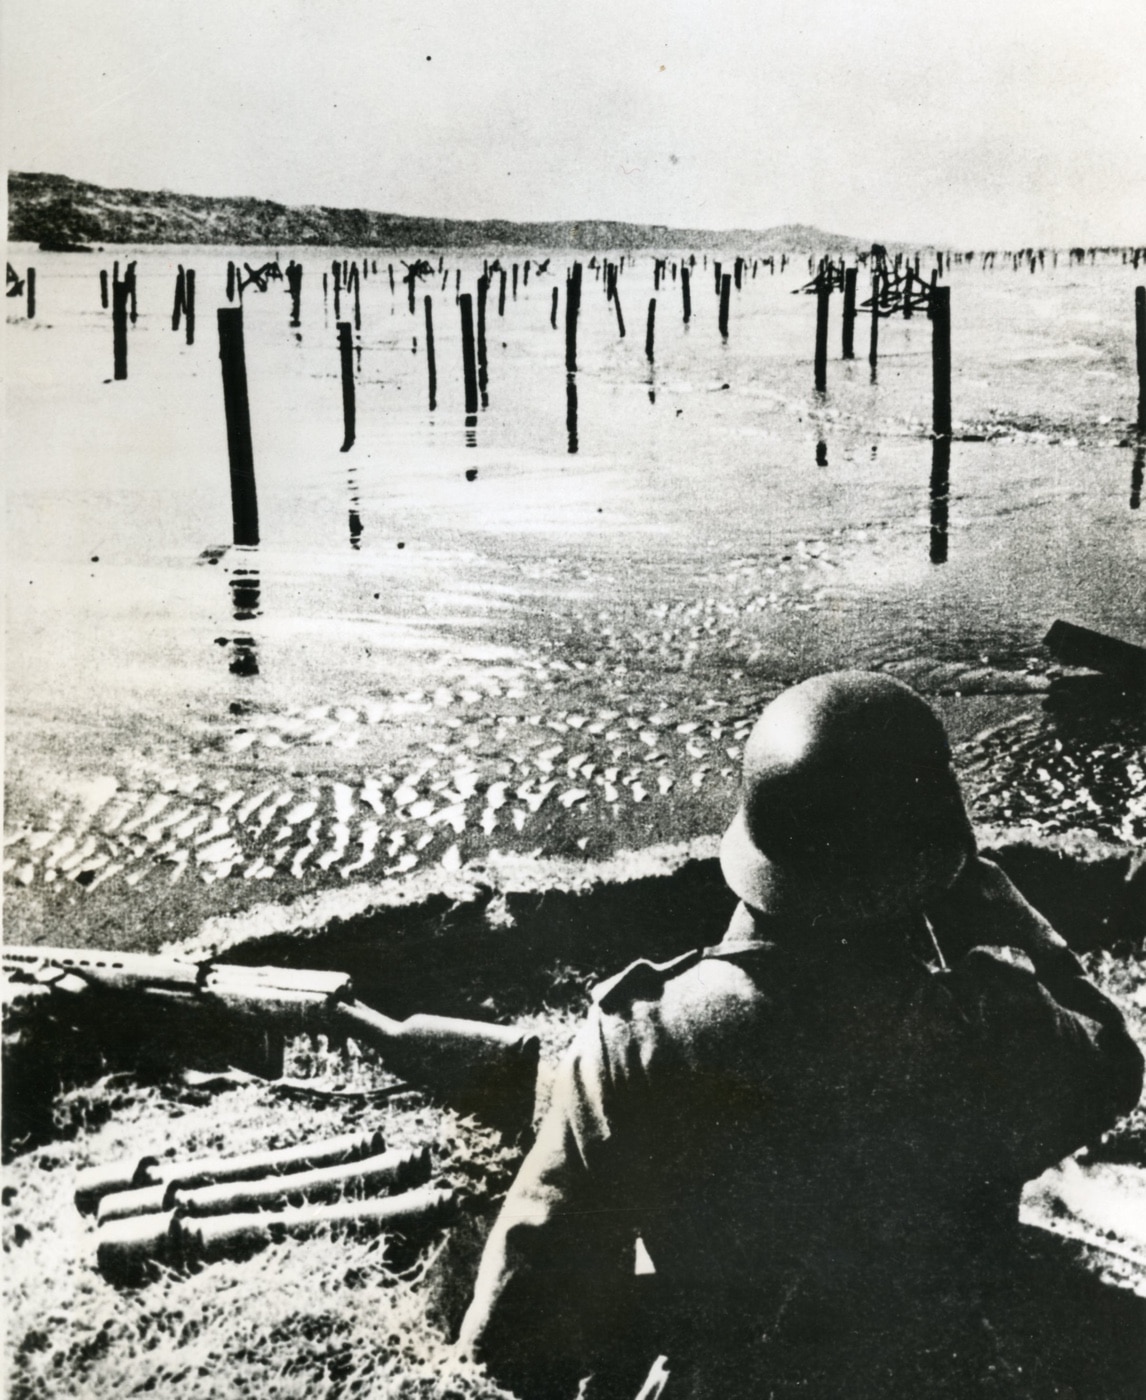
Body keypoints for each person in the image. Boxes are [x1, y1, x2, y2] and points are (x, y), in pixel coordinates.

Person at [457, 672, 1143, 1399]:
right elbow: (1113, 1066)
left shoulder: (637, 1039)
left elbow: (522, 1313)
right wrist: (1027, 933)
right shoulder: (994, 1024)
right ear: (930, 862)